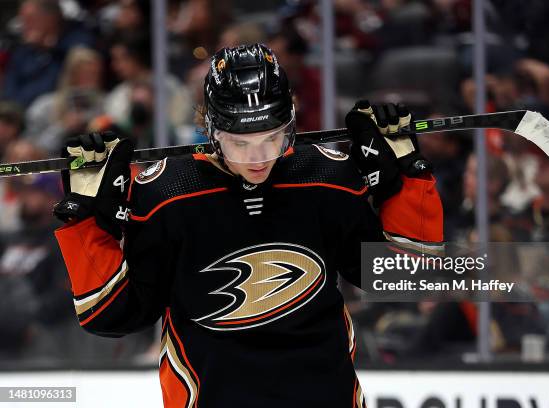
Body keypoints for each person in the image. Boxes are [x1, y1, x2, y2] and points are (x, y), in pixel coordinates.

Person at [52, 44, 443, 407]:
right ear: (210, 128)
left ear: (290, 119)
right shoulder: (166, 196)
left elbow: (413, 279)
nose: (258, 158)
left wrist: (404, 181)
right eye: (241, 142)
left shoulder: (327, 177)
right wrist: (88, 224)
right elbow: (110, 316)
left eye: (271, 139)